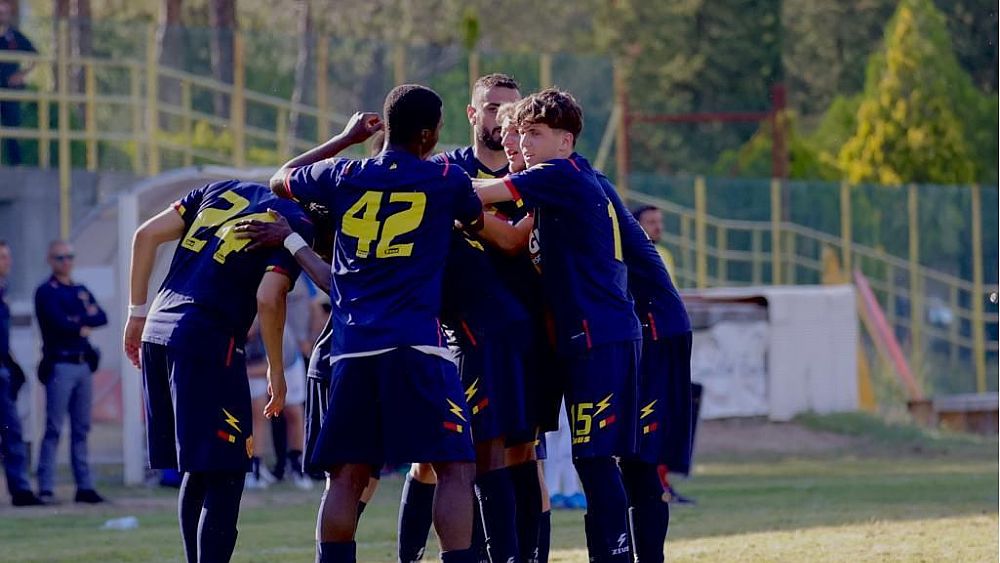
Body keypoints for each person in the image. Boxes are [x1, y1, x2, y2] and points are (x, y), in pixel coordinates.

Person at [268, 86, 484, 563]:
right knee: (454, 465)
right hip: (416, 345)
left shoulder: (343, 173)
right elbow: (474, 221)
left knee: (347, 474)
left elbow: (281, 179)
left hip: (352, 347)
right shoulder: (446, 177)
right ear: (428, 134)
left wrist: (343, 139)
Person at [475, 89, 642, 563]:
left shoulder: (560, 173)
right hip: (583, 337)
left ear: (566, 141)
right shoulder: (560, 181)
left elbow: (485, 192)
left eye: (535, 133)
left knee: (594, 459)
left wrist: (420, 181)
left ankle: (615, 554)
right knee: (588, 460)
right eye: (521, 132)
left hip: (599, 336)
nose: (523, 143)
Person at [123, 179, 313, 563]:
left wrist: (135, 315)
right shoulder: (294, 219)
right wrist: (278, 369)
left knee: (199, 469)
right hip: (206, 340)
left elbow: (145, 236)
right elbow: (268, 297)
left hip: (159, 332)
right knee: (226, 475)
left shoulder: (221, 188)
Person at [396, 73, 542, 563]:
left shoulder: (534, 172)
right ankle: (414, 554)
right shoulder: (445, 171)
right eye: (492, 107)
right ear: (471, 113)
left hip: (524, 332)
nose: (501, 117)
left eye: (510, 109)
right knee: (434, 461)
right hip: (457, 333)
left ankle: (523, 554)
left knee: (522, 452)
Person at [34, 240, 107, 504]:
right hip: (60, 364)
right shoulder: (46, 291)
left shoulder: (79, 289)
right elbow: (58, 323)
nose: (66, 262)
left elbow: (101, 316)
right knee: (54, 427)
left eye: (69, 257)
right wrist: (80, 321)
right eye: (60, 258)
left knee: (82, 428)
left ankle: (84, 486)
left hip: (82, 364)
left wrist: (79, 321)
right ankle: (45, 486)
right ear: (51, 260)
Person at [0, 240, 43, 506]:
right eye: (2, 257)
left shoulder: (4, 291)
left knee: (13, 431)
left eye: (7, 256)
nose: (8, 261)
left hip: (3, 369)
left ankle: (21, 491)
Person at [0, 0, 36, 165]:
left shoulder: (14, 36)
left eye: (4, 12)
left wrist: (21, 75)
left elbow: (35, 55)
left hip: (10, 91)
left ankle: (16, 167)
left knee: (12, 129)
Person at [632, 205, 676, 279]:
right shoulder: (631, 255)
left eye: (660, 221)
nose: (659, 227)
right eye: (651, 222)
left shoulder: (665, 254)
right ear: (637, 225)